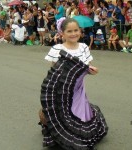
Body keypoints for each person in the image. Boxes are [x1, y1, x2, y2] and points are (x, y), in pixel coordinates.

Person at [39, 18, 108, 150]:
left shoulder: (83, 47)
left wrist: (94, 70)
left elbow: (87, 68)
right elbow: (55, 71)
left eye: (76, 30)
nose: (73, 33)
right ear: (62, 33)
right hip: (61, 88)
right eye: (69, 31)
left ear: (80, 32)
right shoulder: (57, 49)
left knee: (79, 113)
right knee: (57, 111)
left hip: (78, 88)